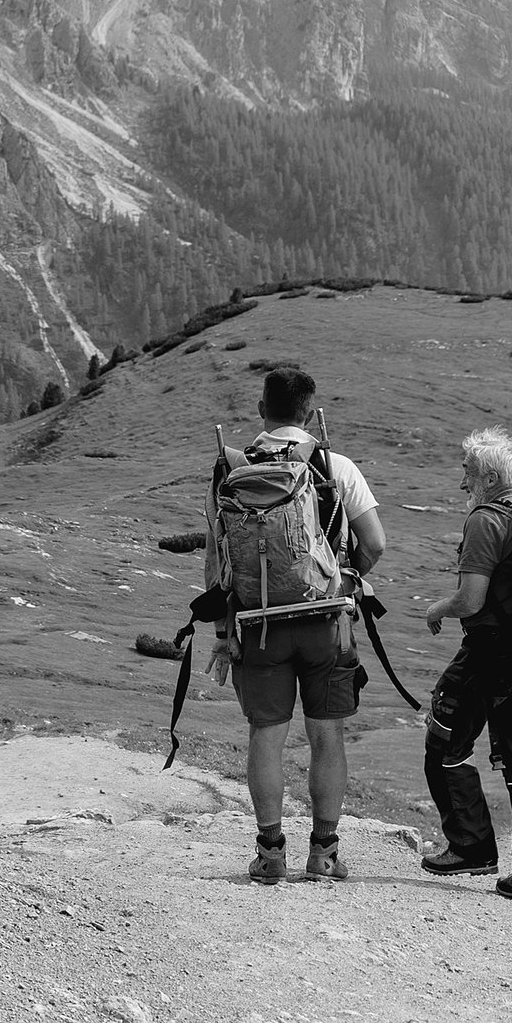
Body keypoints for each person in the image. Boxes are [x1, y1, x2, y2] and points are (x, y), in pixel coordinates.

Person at [207, 366, 387, 885]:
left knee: (267, 734)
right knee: (326, 734)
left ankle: (269, 855)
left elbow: (218, 561)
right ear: (309, 414)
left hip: (258, 623)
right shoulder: (335, 466)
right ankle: (324, 853)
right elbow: (374, 543)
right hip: (325, 622)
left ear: (261, 411)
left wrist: (223, 635)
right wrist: (344, 579)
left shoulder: (231, 469)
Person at [420, 425, 512, 908]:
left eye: (467, 473)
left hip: (491, 656)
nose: (462, 484)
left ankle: (471, 846)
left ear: (485, 478)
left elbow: (471, 598)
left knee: (445, 743)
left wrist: (436, 609)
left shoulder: (487, 520)